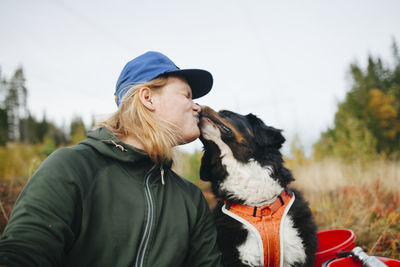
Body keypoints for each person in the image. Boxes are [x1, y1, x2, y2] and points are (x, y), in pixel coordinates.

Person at [0, 51, 223, 267]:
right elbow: (21, 254)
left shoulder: (191, 199)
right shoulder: (71, 168)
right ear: (147, 98)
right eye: (187, 95)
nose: (197, 106)